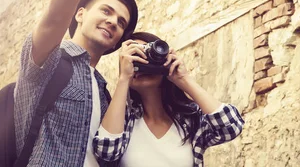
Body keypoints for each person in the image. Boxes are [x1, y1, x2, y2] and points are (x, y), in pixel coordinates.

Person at [14, 0, 138, 166]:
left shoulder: (105, 92)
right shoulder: (50, 61)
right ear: (80, 14)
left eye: (121, 22)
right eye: (105, 11)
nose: (114, 22)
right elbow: (54, 16)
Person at [93, 32, 245, 167]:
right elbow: (106, 151)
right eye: (136, 58)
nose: (143, 63)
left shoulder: (190, 120)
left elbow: (231, 127)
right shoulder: (124, 121)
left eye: (147, 56)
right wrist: (124, 78)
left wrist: (184, 79)